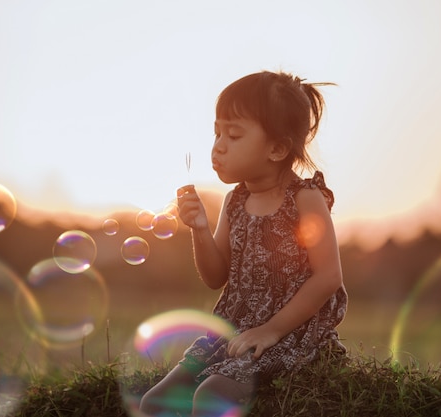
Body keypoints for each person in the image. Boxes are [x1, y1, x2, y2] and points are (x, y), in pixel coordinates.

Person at [138, 70, 348, 417]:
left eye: (234, 134)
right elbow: (215, 276)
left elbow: (328, 277)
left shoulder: (305, 199)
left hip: (289, 333)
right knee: (153, 403)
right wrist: (200, 228)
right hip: (231, 332)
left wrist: (269, 331)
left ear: (277, 148)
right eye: (217, 132)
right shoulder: (234, 202)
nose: (219, 145)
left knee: (211, 397)